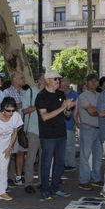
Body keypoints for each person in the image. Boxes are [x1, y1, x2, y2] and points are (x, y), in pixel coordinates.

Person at [35, 71, 74, 200]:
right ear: (47, 81)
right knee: (46, 163)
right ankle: (45, 189)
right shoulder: (41, 96)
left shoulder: (61, 94)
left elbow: (67, 116)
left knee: (60, 162)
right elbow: (45, 117)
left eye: (59, 79)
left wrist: (68, 108)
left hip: (61, 133)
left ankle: (55, 187)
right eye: (55, 79)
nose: (58, 81)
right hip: (48, 135)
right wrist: (62, 107)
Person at [2, 71, 28, 185]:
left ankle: (18, 176)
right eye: (21, 77)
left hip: (22, 127)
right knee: (9, 153)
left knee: (21, 152)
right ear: (14, 79)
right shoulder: (6, 92)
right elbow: (4, 108)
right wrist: (19, 105)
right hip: (10, 128)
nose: (23, 79)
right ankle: (6, 177)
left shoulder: (25, 92)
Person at [77, 74, 102, 190]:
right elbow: (91, 111)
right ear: (86, 82)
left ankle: (96, 179)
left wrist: (96, 108)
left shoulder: (100, 95)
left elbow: (95, 109)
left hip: (99, 128)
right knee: (85, 155)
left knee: (98, 156)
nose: (94, 83)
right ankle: (84, 180)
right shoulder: (82, 96)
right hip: (87, 128)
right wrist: (101, 110)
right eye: (91, 81)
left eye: (96, 81)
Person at [21, 75, 43, 193]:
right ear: (38, 80)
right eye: (43, 79)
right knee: (31, 158)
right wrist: (36, 107)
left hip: (46, 131)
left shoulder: (49, 92)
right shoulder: (29, 92)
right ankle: (28, 183)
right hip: (32, 130)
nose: (45, 82)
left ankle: (41, 182)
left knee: (44, 158)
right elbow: (24, 111)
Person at [60, 78, 79, 171]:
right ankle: (63, 163)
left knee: (70, 145)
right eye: (61, 83)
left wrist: (76, 123)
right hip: (60, 124)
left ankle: (71, 164)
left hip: (70, 123)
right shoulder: (59, 94)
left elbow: (77, 110)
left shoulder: (74, 95)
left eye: (63, 83)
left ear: (68, 84)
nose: (62, 85)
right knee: (62, 145)